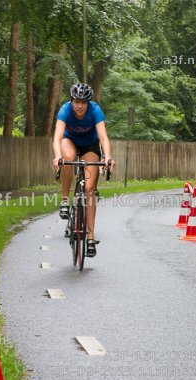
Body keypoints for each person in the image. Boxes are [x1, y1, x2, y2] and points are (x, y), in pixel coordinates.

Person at [53, 82, 115, 257]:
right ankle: (65, 200)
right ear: (71, 101)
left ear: (88, 102)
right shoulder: (65, 110)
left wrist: (107, 156)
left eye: (83, 102)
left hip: (90, 145)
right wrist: (57, 156)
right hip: (69, 141)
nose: (79, 106)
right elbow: (57, 137)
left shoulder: (95, 110)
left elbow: (103, 137)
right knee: (68, 159)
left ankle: (90, 237)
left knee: (89, 189)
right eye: (76, 101)